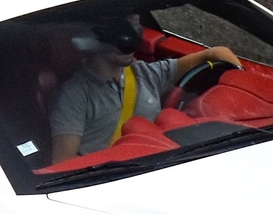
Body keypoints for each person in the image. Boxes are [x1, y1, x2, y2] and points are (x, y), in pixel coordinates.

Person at [49, 20, 239, 162]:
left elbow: (215, 54)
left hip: (165, 163)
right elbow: (63, 163)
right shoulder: (73, 96)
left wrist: (238, 74)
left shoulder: (146, 74)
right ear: (92, 44)